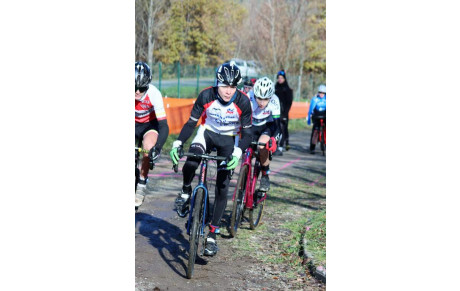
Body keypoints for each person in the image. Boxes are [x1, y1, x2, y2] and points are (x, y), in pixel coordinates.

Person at [170, 62, 252, 256]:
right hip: (206, 134)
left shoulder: (243, 102)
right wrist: (178, 142)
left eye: (233, 87)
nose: (228, 91)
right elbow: (191, 123)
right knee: (191, 161)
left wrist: (238, 152)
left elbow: (248, 135)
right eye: (225, 86)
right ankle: (186, 190)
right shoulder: (206, 95)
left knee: (223, 185)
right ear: (217, 83)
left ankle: (213, 234)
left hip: (230, 139)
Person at [135, 62, 169, 206]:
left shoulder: (154, 94)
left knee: (148, 147)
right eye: (133, 87)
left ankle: (142, 184)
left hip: (149, 125)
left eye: (141, 89)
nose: (137, 91)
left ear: (147, 86)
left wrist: (158, 147)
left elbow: (163, 125)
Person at [248, 77, 281, 191]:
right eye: (259, 98)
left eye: (266, 99)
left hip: (267, 125)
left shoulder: (275, 101)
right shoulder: (249, 97)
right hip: (252, 124)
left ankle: (265, 175)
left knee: (261, 145)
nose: (262, 102)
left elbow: (278, 126)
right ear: (254, 94)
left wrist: (274, 139)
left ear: (270, 97)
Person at [274, 70, 293, 156]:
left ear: (284, 79)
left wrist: (285, 113)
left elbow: (289, 103)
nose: (280, 79)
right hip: (276, 111)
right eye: (279, 78)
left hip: (284, 112)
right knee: (276, 128)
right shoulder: (276, 87)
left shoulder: (287, 89)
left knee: (283, 128)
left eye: (281, 78)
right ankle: (275, 145)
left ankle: (282, 145)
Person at [307, 84, 326, 154]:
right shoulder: (315, 99)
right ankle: (312, 147)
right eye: (320, 92)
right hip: (316, 116)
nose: (321, 94)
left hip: (325, 115)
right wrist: (309, 119)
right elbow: (310, 110)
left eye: (323, 93)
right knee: (315, 130)